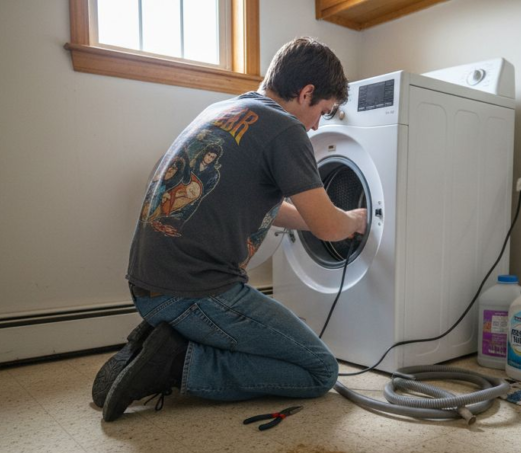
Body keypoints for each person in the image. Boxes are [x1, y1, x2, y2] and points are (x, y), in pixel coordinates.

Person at [95, 37, 367, 422]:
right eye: (322, 110)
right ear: (306, 93)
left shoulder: (223, 110)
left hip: (148, 288)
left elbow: (279, 211)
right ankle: (174, 364)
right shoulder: (285, 129)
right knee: (319, 370)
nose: (317, 125)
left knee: (268, 347)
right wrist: (353, 221)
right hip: (193, 293)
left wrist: (328, 214)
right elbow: (326, 227)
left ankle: (161, 343)